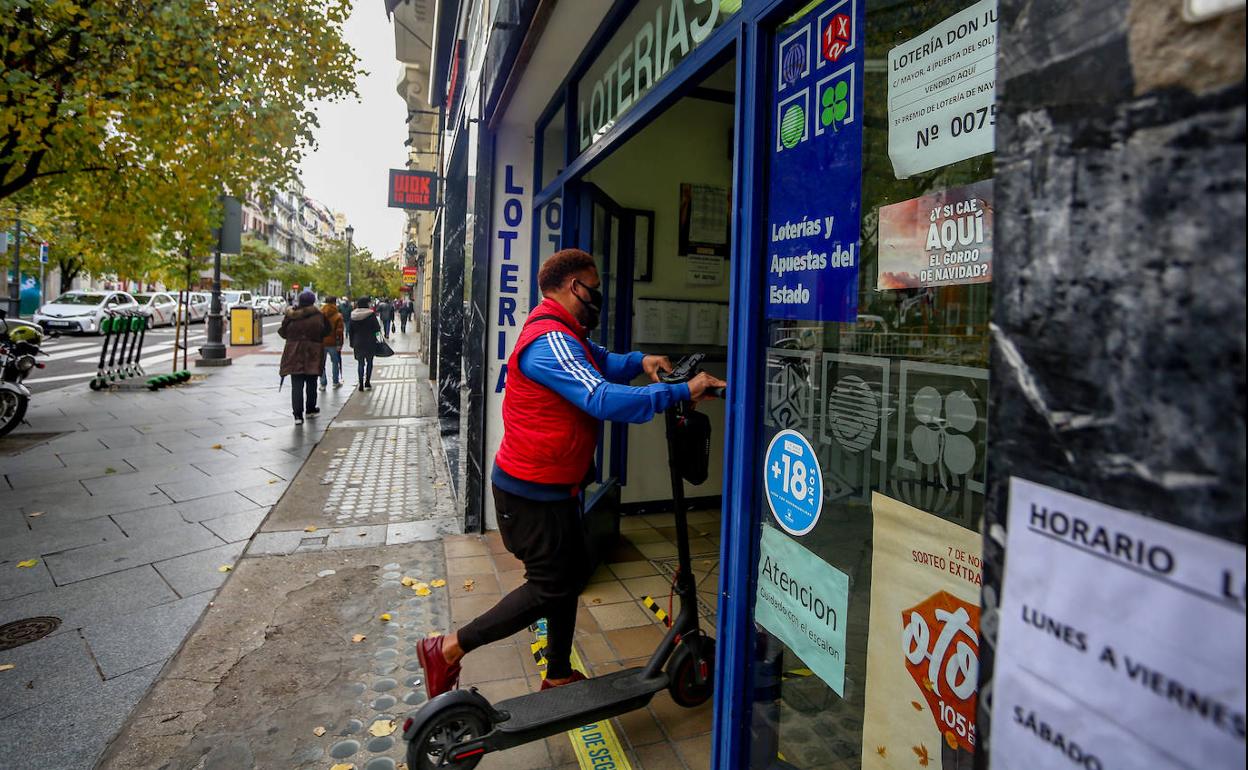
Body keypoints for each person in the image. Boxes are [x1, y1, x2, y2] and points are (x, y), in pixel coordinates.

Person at [416, 248, 726, 699]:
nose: (597, 295)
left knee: (569, 575)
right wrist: (680, 391)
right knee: (550, 587)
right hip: (529, 494)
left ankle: (558, 672)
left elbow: (601, 361)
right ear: (570, 286)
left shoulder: (567, 333)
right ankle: (447, 648)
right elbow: (600, 398)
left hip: (555, 488)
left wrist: (642, 362)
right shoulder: (549, 341)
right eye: (593, 287)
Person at [279, 290, 331, 425]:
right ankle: (310, 409)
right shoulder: (318, 315)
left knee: (296, 385)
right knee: (311, 382)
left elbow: (283, 332)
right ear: (313, 301)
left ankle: (297, 415)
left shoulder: (291, 315)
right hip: (312, 352)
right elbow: (327, 330)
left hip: (294, 352)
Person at [349, 296, 381, 391]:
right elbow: (377, 329)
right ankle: (367, 381)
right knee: (370, 362)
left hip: (358, 342)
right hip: (370, 341)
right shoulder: (371, 314)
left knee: (360, 363)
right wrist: (380, 340)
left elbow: (350, 331)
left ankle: (361, 384)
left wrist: (352, 342)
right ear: (366, 304)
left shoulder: (353, 315)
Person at [319, 295, 345, 390]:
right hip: (333, 342)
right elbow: (339, 331)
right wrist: (339, 343)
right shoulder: (337, 315)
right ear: (335, 302)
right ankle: (335, 382)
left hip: (321, 342)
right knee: (335, 362)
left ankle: (323, 383)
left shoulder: (320, 314)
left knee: (321, 363)